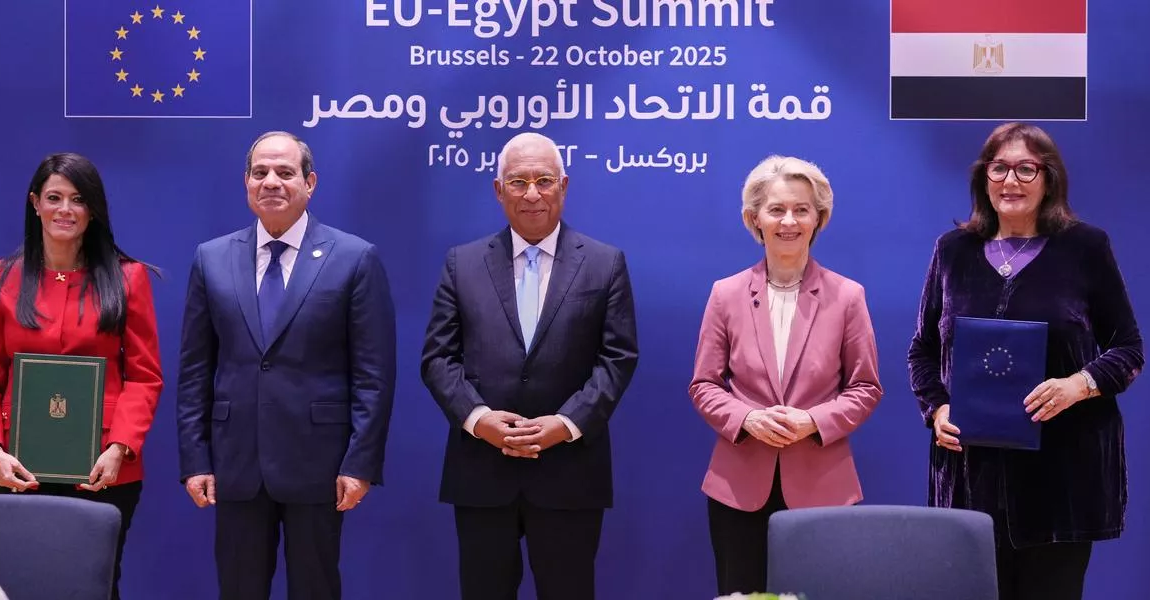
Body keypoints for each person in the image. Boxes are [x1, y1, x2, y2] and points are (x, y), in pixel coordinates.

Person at [907, 122, 1144, 600]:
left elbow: (1128, 347)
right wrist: (937, 409)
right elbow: (923, 349)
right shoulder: (952, 251)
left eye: (1025, 169)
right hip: (969, 476)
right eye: (999, 168)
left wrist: (1080, 383)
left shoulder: (1085, 247)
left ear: (1049, 178)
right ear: (983, 177)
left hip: (1062, 478)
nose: (1010, 181)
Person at [175, 131, 396, 600]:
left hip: (320, 465)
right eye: (260, 173)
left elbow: (374, 376)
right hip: (236, 465)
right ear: (246, 183)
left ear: (310, 182)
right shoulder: (211, 258)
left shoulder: (354, 258)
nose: (271, 181)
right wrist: (195, 459)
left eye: (285, 172)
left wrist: (360, 463)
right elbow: (195, 370)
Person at [420, 132, 639, 600]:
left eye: (543, 180)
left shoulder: (605, 264)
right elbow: (438, 358)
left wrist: (566, 423)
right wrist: (479, 421)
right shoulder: (462, 263)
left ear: (564, 185)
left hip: (570, 472)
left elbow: (617, 359)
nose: (532, 194)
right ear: (499, 190)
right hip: (482, 470)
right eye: (518, 182)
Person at [0, 152, 164, 600]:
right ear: (35, 203)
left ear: (92, 209)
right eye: (54, 198)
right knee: (22, 582)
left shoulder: (128, 279)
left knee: (93, 584)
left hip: (104, 469)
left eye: (77, 199)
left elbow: (145, 376)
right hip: (17, 466)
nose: (64, 210)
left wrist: (120, 448)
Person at [689, 154, 883, 596]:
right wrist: (746, 419)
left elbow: (866, 387)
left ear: (820, 218)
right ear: (754, 218)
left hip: (823, 489)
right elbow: (704, 384)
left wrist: (813, 421)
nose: (789, 221)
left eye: (801, 209)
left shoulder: (848, 296)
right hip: (737, 491)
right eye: (776, 209)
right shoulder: (726, 294)